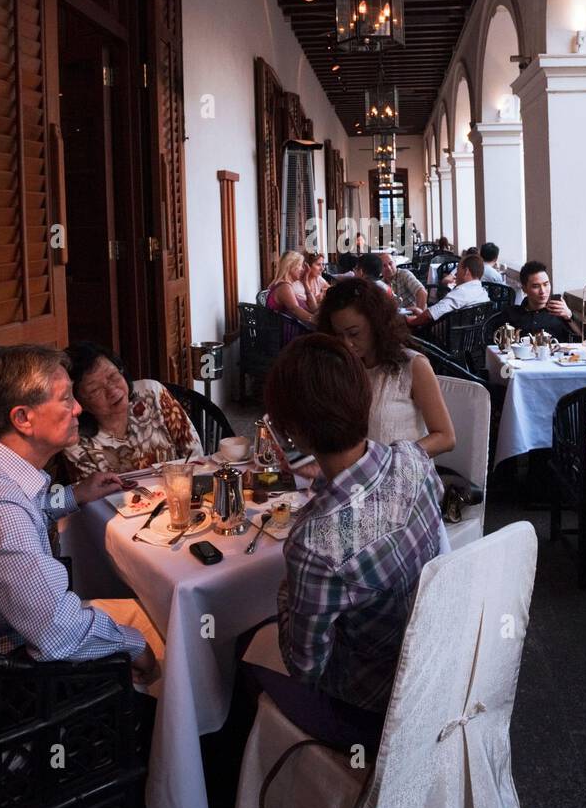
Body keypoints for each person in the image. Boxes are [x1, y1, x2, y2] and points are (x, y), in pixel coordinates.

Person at [240, 333, 445, 748]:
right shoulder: (412, 459)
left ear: (290, 431)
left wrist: (284, 595)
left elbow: (306, 668)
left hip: (371, 707)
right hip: (435, 670)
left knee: (242, 646)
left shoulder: (315, 543)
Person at [0, 345, 157, 684]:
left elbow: (22, 514)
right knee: (154, 631)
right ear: (22, 418)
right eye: (65, 398)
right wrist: (135, 646)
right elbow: (56, 632)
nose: (78, 408)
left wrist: (74, 494)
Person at [318, 278, 454, 457]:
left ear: (376, 324)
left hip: (401, 474)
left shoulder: (413, 366)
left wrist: (389, 459)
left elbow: (445, 438)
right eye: (338, 335)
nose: (346, 344)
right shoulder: (343, 367)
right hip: (355, 477)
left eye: (354, 333)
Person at [63, 343, 203, 478]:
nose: (112, 390)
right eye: (95, 390)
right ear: (78, 401)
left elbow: (195, 456)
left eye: (113, 376)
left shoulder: (152, 393)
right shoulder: (75, 443)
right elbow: (92, 499)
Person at [503, 260, 580, 342]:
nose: (543, 291)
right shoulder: (512, 314)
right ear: (524, 289)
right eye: (536, 286)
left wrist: (569, 316)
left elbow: (584, 340)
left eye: (546, 284)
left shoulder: (559, 313)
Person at [409, 252, 488, 327]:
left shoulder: (462, 292)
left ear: (466, 271)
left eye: (458, 269)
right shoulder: (484, 294)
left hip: (439, 338)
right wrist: (421, 314)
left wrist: (411, 321)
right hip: (472, 338)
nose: (455, 274)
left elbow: (430, 315)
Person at [263, 249, 316, 326]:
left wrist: (305, 281)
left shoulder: (285, 285)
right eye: (300, 265)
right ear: (291, 266)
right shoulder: (284, 287)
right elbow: (296, 310)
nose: (302, 269)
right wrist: (318, 322)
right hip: (285, 334)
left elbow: (313, 308)